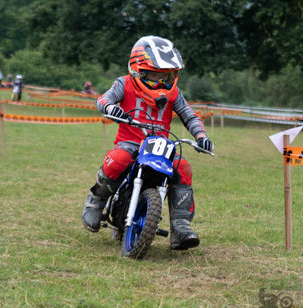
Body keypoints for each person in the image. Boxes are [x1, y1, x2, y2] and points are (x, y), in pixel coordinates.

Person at [81, 35, 214, 251]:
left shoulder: (174, 94)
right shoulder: (123, 83)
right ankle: (96, 201)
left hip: (161, 147)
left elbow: (190, 116)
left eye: (167, 77)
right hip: (130, 143)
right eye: (154, 76)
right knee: (118, 159)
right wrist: (109, 107)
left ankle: (180, 226)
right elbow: (103, 99)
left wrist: (202, 137)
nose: (161, 83)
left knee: (183, 167)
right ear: (137, 70)